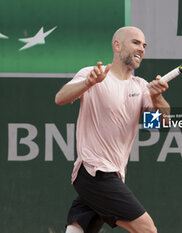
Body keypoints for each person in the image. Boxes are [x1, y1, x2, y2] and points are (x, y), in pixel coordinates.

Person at [55, 26, 170, 233]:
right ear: (117, 45)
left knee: (79, 226)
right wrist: (88, 83)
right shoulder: (95, 75)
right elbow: (60, 98)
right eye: (135, 42)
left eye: (144, 45)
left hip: (112, 174)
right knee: (147, 230)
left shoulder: (141, 86)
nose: (141, 48)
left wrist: (157, 98)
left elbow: (159, 124)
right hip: (94, 171)